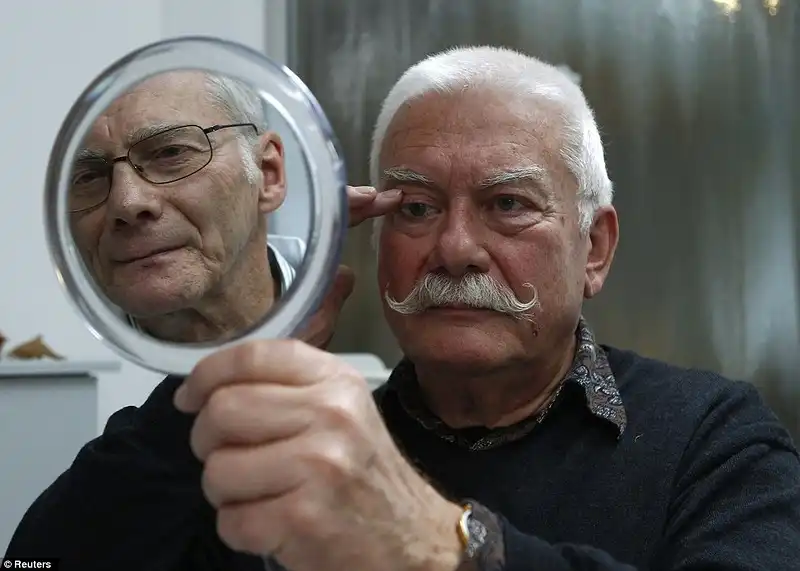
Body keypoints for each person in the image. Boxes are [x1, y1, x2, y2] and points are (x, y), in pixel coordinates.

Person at [6, 46, 800, 571]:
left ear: (594, 247)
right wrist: (223, 376)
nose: (453, 248)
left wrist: (434, 542)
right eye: (415, 208)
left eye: (508, 204)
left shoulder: (712, 438)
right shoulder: (313, 447)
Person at [69, 71, 328, 343]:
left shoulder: (340, 316)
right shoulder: (66, 357)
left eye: (170, 153)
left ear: (266, 173)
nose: (126, 202)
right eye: (88, 177)